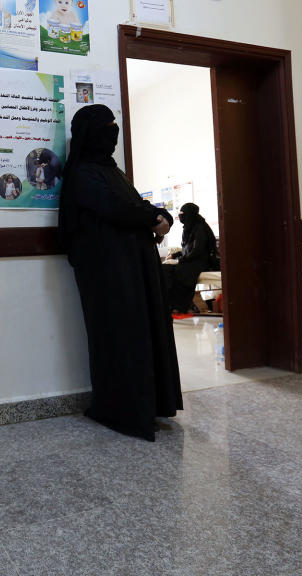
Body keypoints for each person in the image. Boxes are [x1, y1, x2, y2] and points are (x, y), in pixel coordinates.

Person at [58, 104, 182, 441]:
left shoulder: (110, 169)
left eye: (115, 125)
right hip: (108, 273)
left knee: (144, 332)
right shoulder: (83, 172)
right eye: (107, 126)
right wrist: (153, 219)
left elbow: (133, 203)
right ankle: (123, 410)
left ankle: (150, 404)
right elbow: (115, 208)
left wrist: (159, 216)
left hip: (134, 266)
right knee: (122, 336)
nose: (112, 132)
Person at [162, 202, 219, 314]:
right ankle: (169, 304)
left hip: (202, 262)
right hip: (190, 260)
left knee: (181, 272)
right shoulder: (188, 228)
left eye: (182, 213)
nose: (180, 216)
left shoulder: (200, 228)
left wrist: (180, 260)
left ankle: (181, 306)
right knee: (165, 269)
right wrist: (174, 256)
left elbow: (197, 250)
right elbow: (186, 249)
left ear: (189, 214)